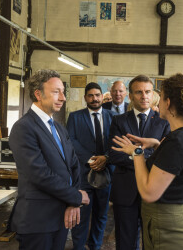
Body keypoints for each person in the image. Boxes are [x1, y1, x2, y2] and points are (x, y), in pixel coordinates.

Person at [111, 72, 183, 250]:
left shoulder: (176, 141)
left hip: (170, 231)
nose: (156, 101)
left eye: (160, 97)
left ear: (168, 103)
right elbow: (174, 162)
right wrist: (155, 144)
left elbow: (148, 193)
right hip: (177, 222)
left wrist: (137, 153)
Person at [8, 69, 90, 250]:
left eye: (63, 91)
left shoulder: (59, 128)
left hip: (61, 215)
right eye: (56, 92)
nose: (63, 97)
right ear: (38, 94)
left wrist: (72, 202)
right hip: (38, 220)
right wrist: (75, 196)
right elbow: (39, 174)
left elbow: (74, 165)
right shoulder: (24, 128)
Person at [108, 75, 170, 250]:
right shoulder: (119, 121)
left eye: (148, 92)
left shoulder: (163, 123)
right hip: (125, 191)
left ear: (152, 94)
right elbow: (115, 155)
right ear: (131, 96)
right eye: (139, 92)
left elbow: (164, 156)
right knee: (125, 241)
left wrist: (134, 153)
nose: (144, 96)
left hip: (153, 190)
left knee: (151, 241)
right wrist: (147, 154)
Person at [67, 82, 115, 250]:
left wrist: (106, 158)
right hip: (83, 174)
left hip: (106, 173)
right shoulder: (75, 117)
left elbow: (116, 141)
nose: (94, 99)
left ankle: (95, 246)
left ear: (102, 97)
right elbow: (71, 141)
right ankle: (78, 247)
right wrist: (92, 160)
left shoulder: (113, 116)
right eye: (90, 95)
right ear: (85, 98)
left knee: (101, 214)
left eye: (97, 95)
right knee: (82, 214)